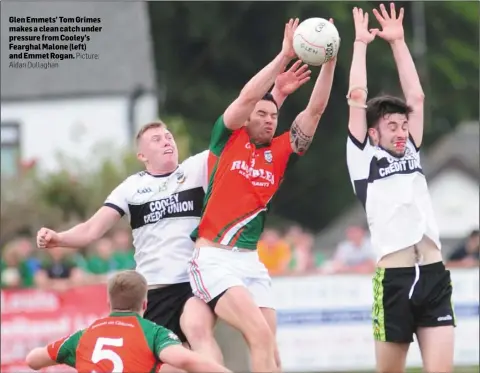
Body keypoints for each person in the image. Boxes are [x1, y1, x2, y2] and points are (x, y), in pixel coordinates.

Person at [35, 55, 310, 367]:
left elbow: (252, 129)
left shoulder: (198, 168)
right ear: (142, 154)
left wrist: (278, 95)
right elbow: (91, 230)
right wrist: (58, 238)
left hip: (193, 281)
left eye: (168, 136)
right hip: (153, 287)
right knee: (165, 364)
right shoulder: (130, 188)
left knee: (199, 332)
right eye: (156, 138)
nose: (165, 140)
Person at [189, 18, 337, 372]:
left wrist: (329, 62)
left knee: (271, 352)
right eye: (263, 113)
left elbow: (314, 111)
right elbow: (248, 96)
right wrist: (283, 57)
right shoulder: (227, 140)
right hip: (213, 259)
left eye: (274, 115)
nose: (270, 119)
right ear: (247, 119)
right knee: (258, 336)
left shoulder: (280, 151)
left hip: (250, 262)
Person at [345, 4, 455, 373]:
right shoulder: (363, 157)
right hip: (395, 278)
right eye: (392, 125)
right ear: (374, 132)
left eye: (403, 124)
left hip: (435, 274)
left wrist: (398, 43)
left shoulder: (411, 148)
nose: (401, 131)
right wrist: (360, 44)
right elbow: (357, 99)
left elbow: (417, 97)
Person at [25, 270, 230, 373]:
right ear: (145, 304)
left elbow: (33, 360)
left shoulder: (83, 336)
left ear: (108, 302)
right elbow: (186, 360)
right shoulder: (153, 333)